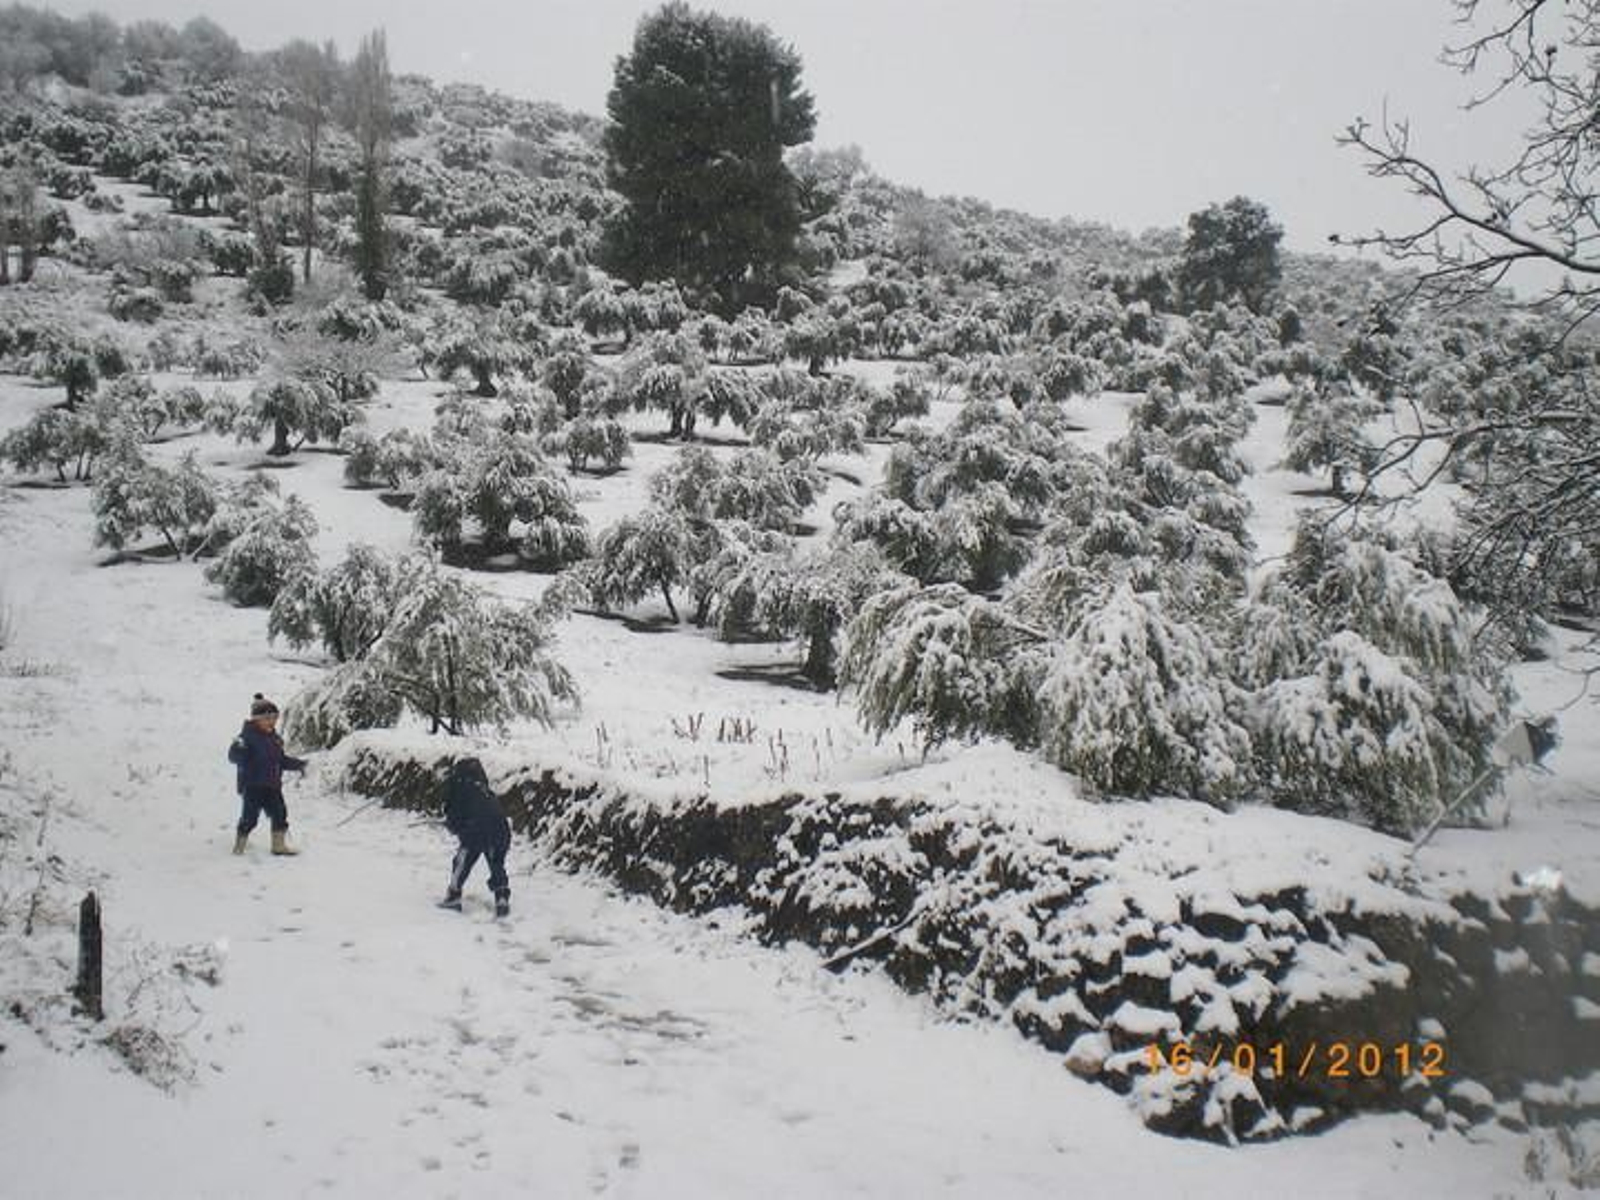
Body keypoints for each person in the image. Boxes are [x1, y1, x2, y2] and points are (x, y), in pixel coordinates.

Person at [227, 694, 307, 856]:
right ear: (256, 719)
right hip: (252, 785)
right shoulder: (246, 737)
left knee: (280, 813)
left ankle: (278, 846)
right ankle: (239, 845)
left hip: (272, 785)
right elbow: (233, 756)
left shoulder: (275, 739)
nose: (272, 721)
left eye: (274, 717)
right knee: (250, 818)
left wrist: (299, 764)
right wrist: (239, 751)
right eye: (267, 718)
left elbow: (281, 760)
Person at [439, 757, 511, 917]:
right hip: (501, 828)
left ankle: (453, 896)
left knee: (462, 860)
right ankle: (501, 897)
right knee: (496, 863)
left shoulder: (459, 785)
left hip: (476, 829)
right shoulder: (484, 788)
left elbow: (455, 813)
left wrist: (452, 824)